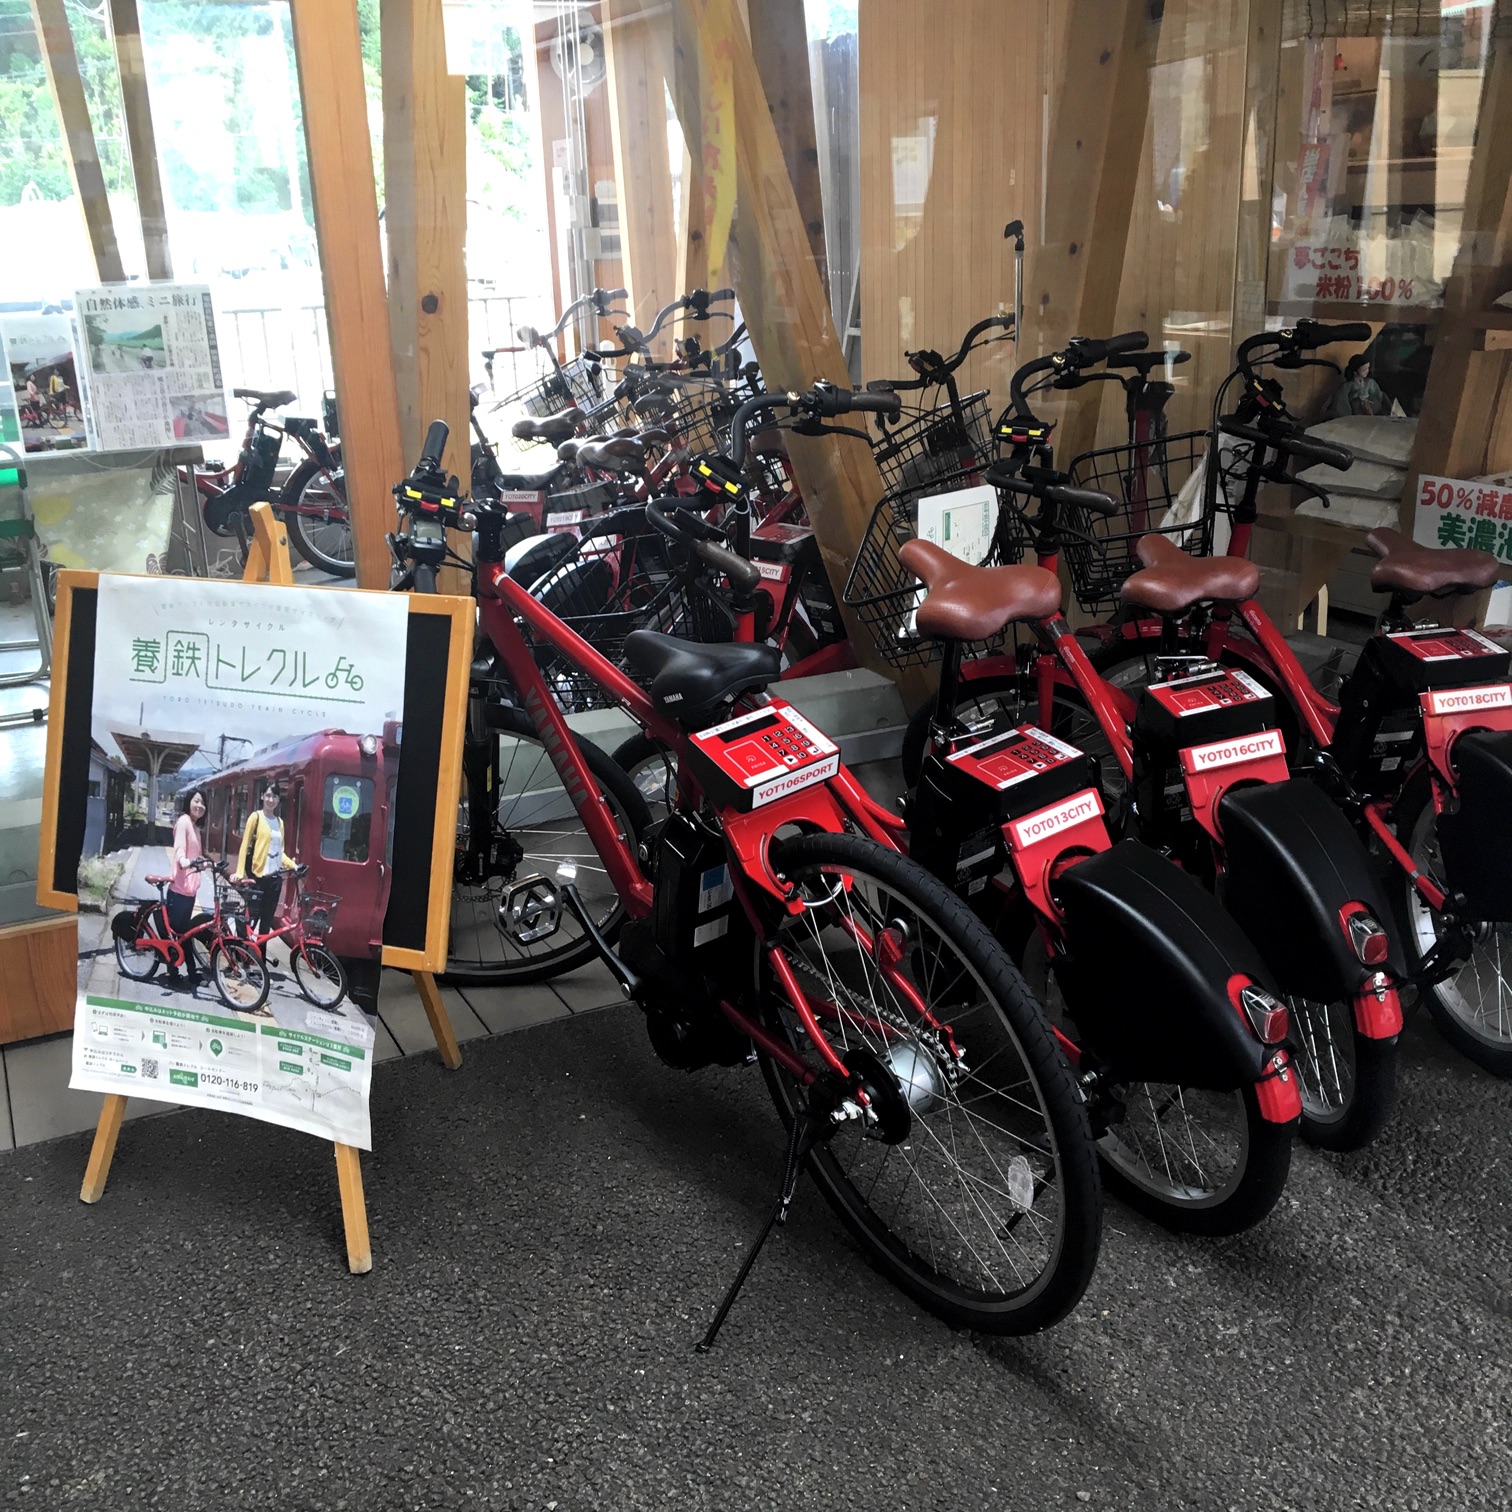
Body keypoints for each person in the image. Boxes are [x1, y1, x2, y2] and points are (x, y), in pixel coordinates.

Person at [234, 783, 298, 950]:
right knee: (251, 919)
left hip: (274, 880)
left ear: (278, 800)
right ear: (262, 796)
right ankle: (240, 951)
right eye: (268, 795)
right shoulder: (255, 817)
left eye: (274, 796)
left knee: (266, 924)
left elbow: (280, 853)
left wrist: (294, 865)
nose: (271, 800)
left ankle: (260, 957)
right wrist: (239, 872)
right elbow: (244, 845)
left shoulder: (279, 822)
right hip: (258, 878)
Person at [165, 789, 206, 986]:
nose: (199, 806)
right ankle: (173, 975)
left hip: (189, 889)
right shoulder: (183, 821)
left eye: (202, 803)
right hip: (179, 889)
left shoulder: (195, 827)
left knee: (185, 934)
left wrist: (204, 863)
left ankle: (191, 973)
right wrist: (182, 860)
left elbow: (196, 855)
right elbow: (180, 847)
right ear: (189, 802)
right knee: (176, 934)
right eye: (196, 801)